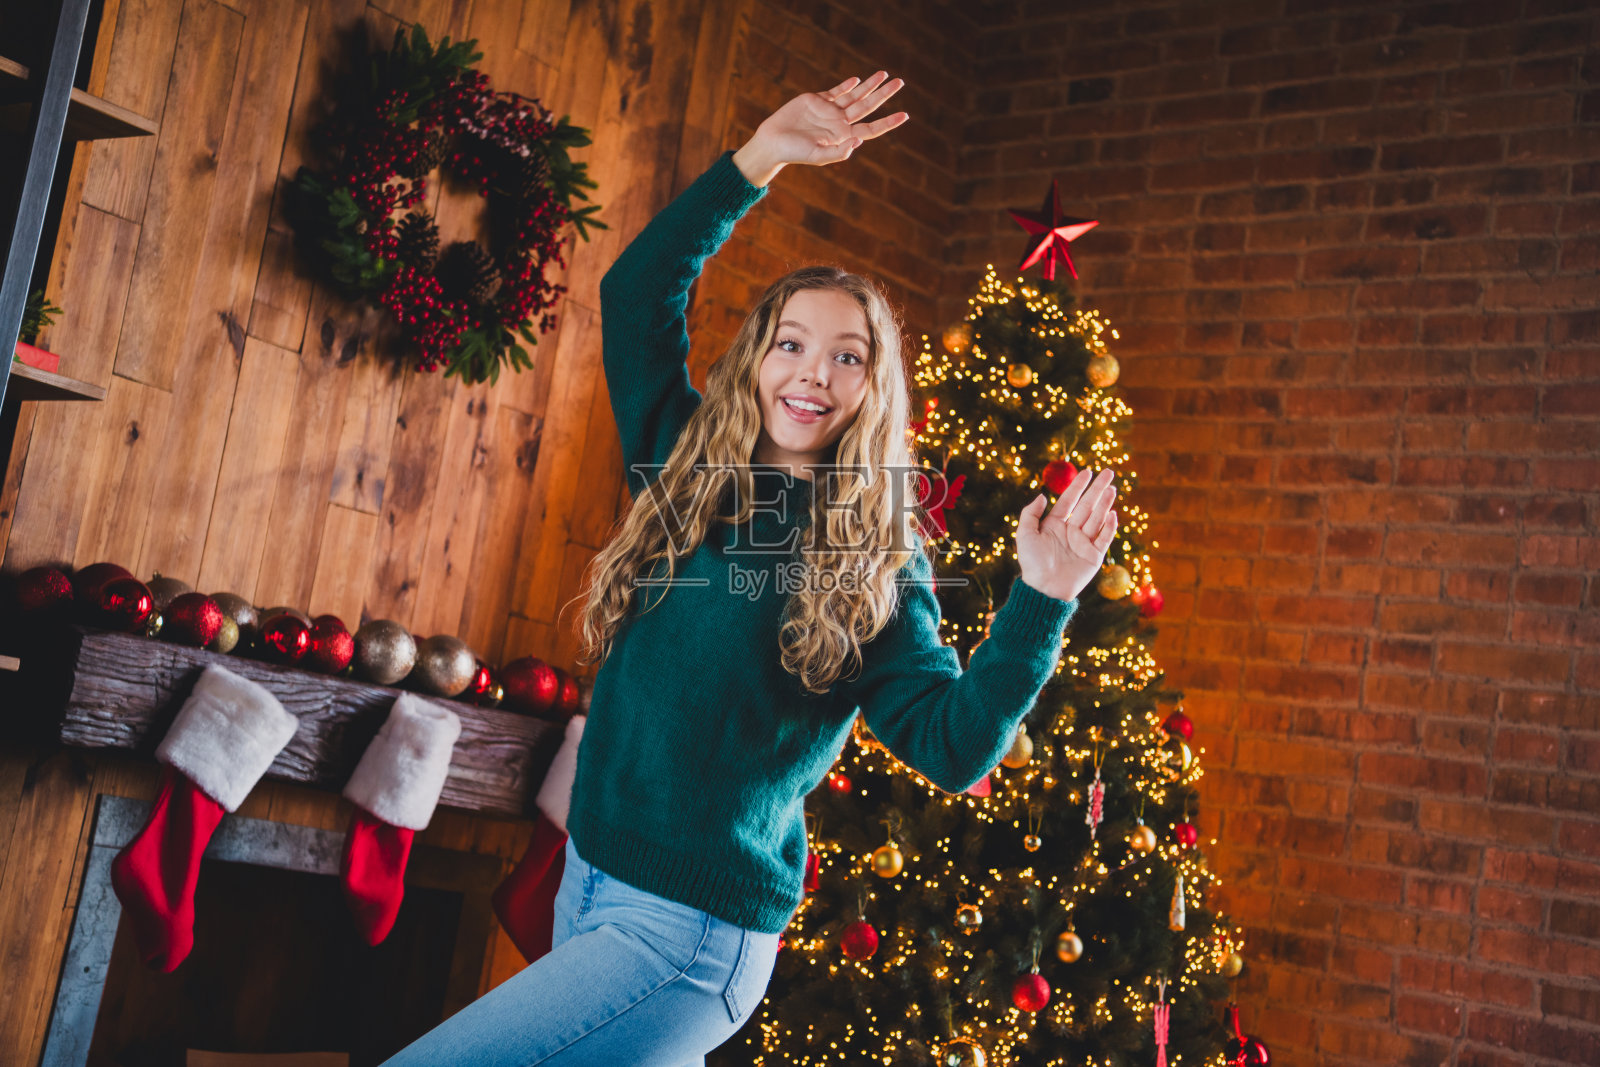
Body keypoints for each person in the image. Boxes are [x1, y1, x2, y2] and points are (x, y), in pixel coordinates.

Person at [382, 70, 1118, 1067]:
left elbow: (951, 745)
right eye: (792, 342)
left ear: (872, 391)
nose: (813, 371)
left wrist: (1044, 599)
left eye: (847, 356)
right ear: (758, 358)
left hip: (686, 934)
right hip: (590, 876)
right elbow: (638, 294)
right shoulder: (682, 457)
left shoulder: (871, 561)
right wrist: (759, 157)